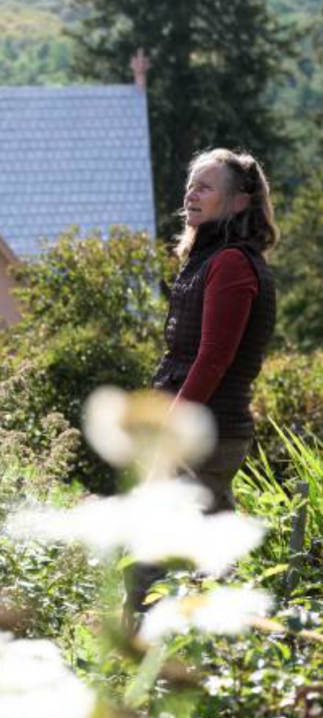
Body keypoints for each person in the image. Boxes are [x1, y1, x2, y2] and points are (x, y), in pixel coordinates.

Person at [129, 149, 278, 618]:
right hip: (202, 429)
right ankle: (233, 661)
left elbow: (213, 359)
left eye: (206, 186)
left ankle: (136, 670)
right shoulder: (211, 257)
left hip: (203, 434)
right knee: (212, 557)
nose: (192, 193)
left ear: (238, 203)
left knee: (151, 560)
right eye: (191, 184)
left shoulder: (232, 263)